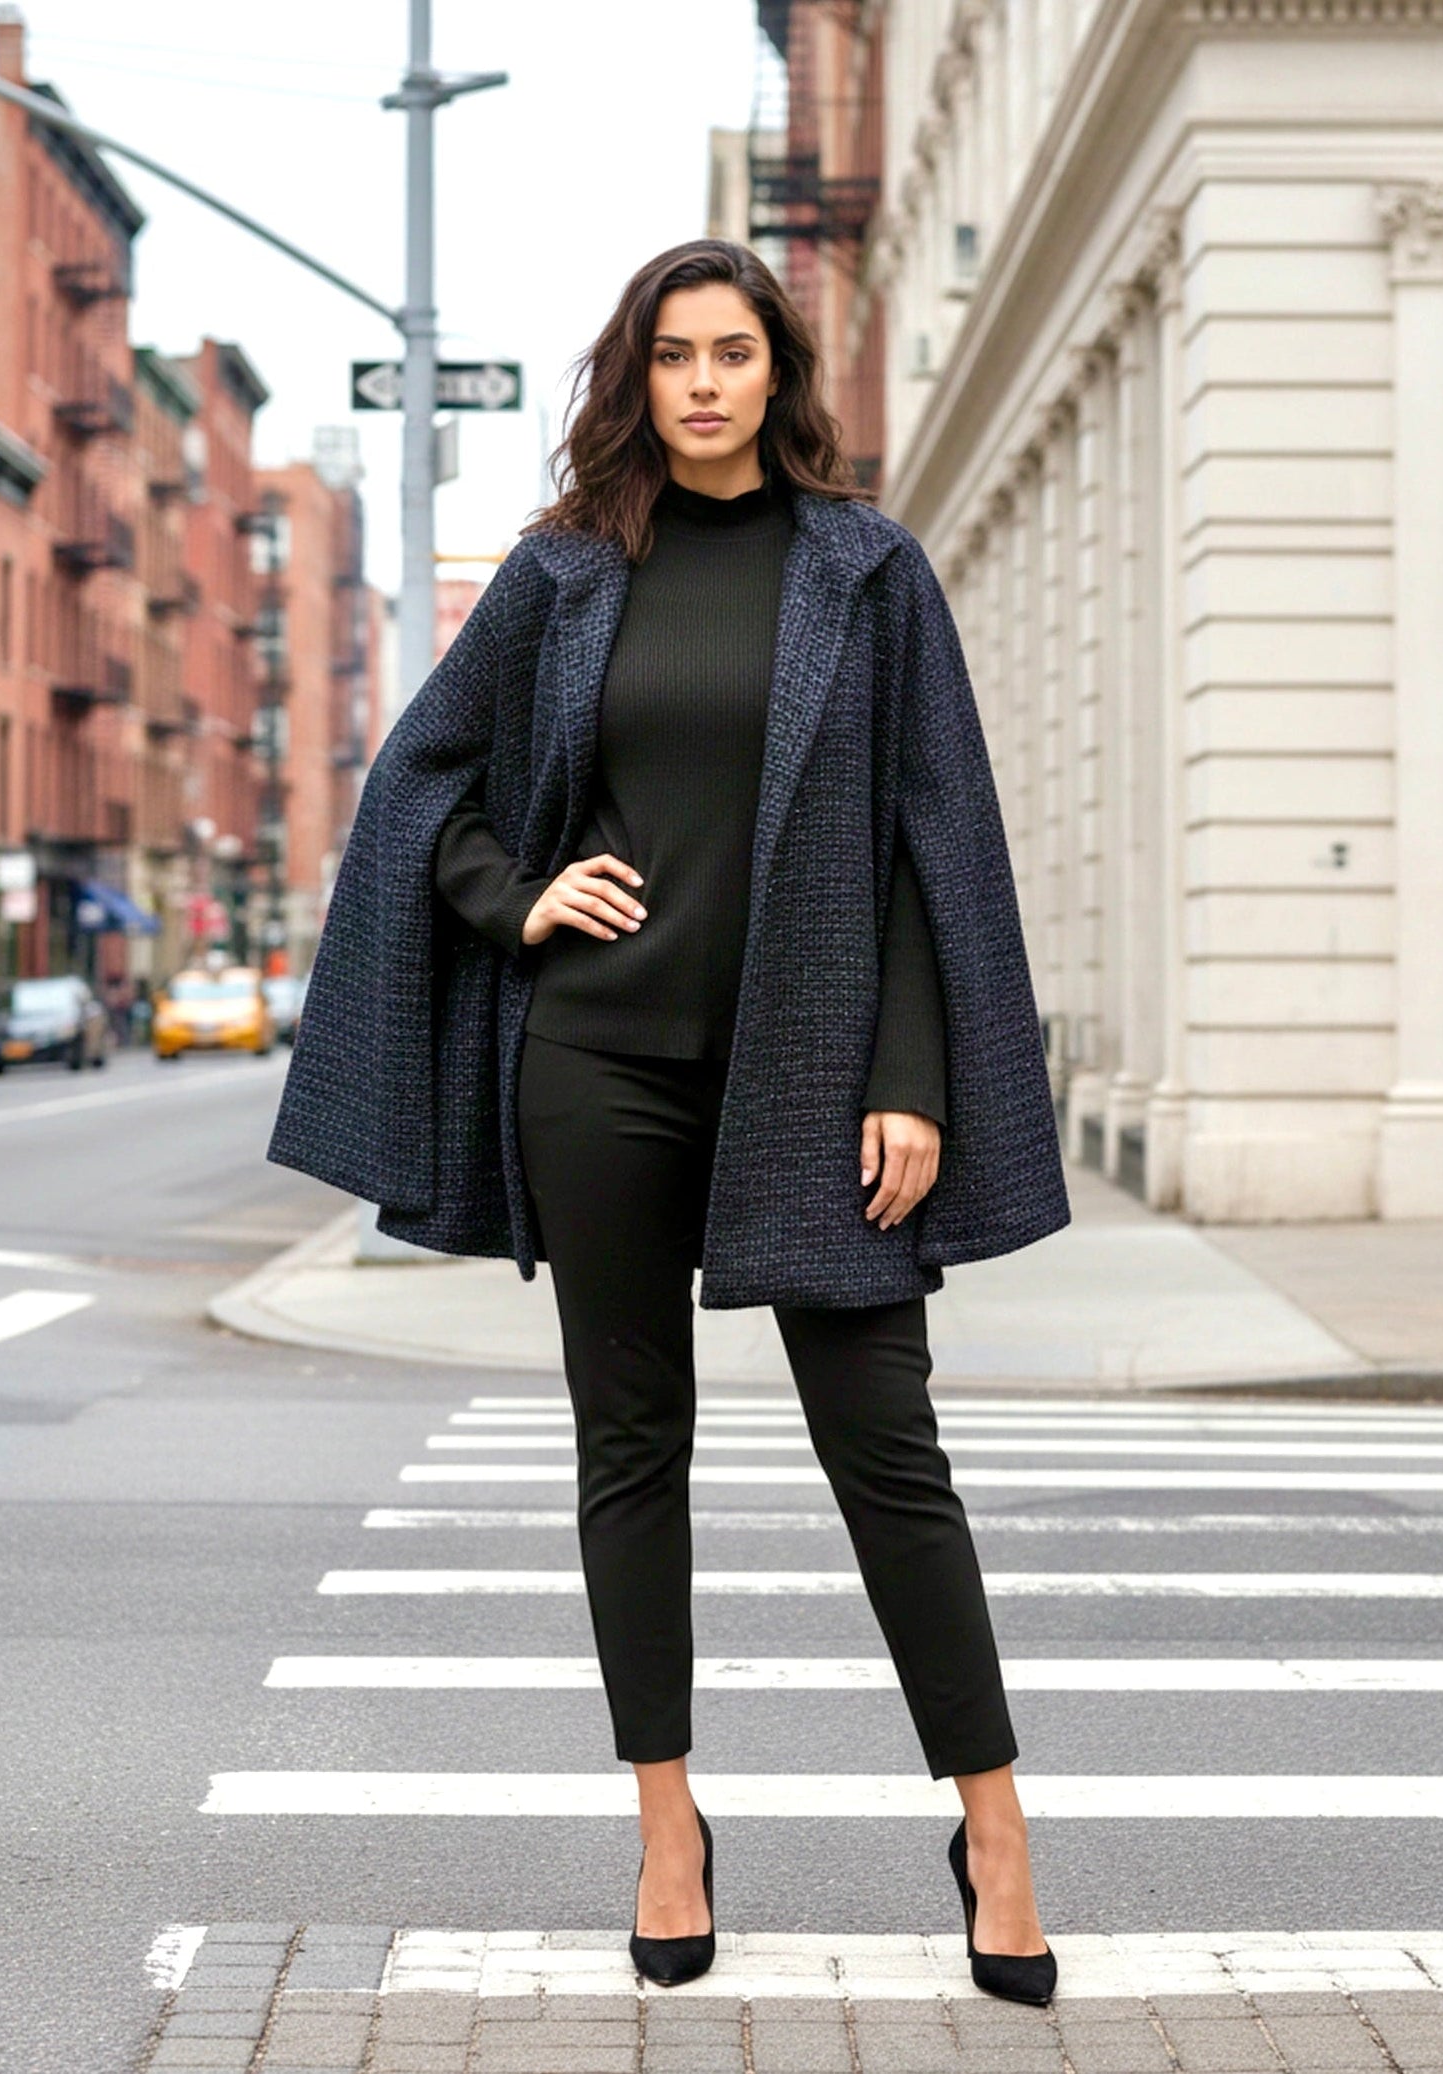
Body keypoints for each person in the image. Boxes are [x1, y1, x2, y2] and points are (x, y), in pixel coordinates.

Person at [267, 239, 1069, 2003]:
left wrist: (913, 1073)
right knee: (630, 1447)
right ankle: (666, 1824)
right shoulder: (563, 573)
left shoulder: (867, 570)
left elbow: (939, 840)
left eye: (733, 353)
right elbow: (421, 780)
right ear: (636, 383)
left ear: (778, 374)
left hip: (815, 1062)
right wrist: (518, 895)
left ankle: (993, 1827)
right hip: (602, 1061)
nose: (704, 383)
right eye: (672, 358)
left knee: (888, 1450)